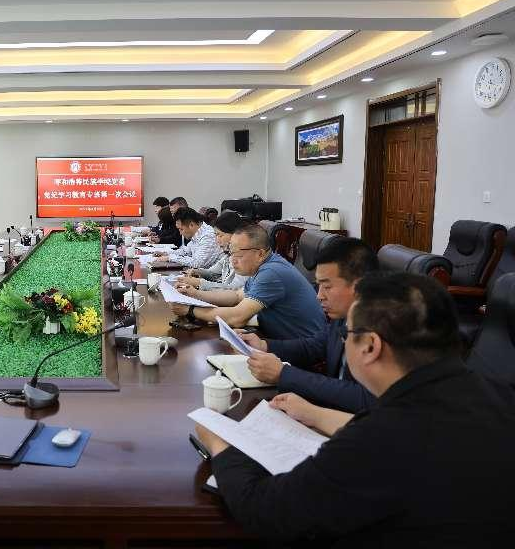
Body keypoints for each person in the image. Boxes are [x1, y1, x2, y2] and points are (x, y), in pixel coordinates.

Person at [195, 272, 515, 545]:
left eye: (347, 334)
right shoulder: (495, 393)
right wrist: (317, 414)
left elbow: (267, 511)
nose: (343, 342)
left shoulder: (378, 440)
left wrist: (221, 443)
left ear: (371, 346)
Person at [238, 238, 378, 412]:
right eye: (319, 286)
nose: (319, 296)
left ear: (359, 286)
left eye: (327, 287)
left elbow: (364, 398)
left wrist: (284, 374)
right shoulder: (344, 314)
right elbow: (316, 345)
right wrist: (263, 345)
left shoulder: (382, 329)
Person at [170, 223, 325, 339]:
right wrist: (195, 294)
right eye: (231, 253)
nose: (233, 260)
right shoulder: (264, 266)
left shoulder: (272, 272)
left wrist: (190, 310)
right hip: (279, 336)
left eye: (238, 255)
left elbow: (238, 317)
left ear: (260, 254)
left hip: (303, 348)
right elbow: (236, 296)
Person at [175, 211, 247, 293]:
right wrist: (197, 271)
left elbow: (234, 289)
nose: (217, 240)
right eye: (216, 235)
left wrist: (200, 283)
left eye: (220, 235)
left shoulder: (245, 258)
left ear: (235, 235)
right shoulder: (228, 256)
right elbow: (212, 273)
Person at [155, 207, 221, 269]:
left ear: (191, 225)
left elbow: (198, 263)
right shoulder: (198, 234)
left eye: (181, 229)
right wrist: (166, 253)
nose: (180, 233)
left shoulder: (208, 236)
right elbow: (186, 251)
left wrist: (171, 258)